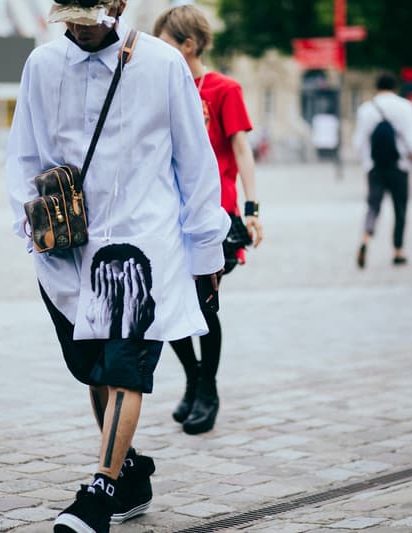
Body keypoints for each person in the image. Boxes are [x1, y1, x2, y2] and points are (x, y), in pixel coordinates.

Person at [5, 1, 230, 531]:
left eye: (88, 14)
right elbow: (24, 155)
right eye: (71, 16)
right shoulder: (42, 65)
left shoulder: (162, 64)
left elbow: (195, 163)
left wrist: (206, 253)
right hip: (68, 253)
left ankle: (99, 495)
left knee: (125, 367)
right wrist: (32, 229)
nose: (79, 27)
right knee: (93, 369)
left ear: (118, 5)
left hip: (143, 246)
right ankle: (130, 475)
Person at [154, 4, 263, 435]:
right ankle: (194, 378)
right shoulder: (161, 88)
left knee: (203, 302)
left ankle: (208, 390)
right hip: (170, 213)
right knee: (168, 303)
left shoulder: (223, 89)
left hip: (216, 213)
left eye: (166, 43)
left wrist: (252, 209)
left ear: (189, 44)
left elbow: (241, 150)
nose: (158, 51)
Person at [352, 72, 412, 268]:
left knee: (373, 206)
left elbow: (358, 143)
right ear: (395, 87)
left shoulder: (366, 110)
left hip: (374, 167)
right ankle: (398, 251)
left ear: (376, 87)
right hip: (399, 166)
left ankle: (366, 238)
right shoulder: (405, 107)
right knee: (400, 209)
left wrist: (366, 163)